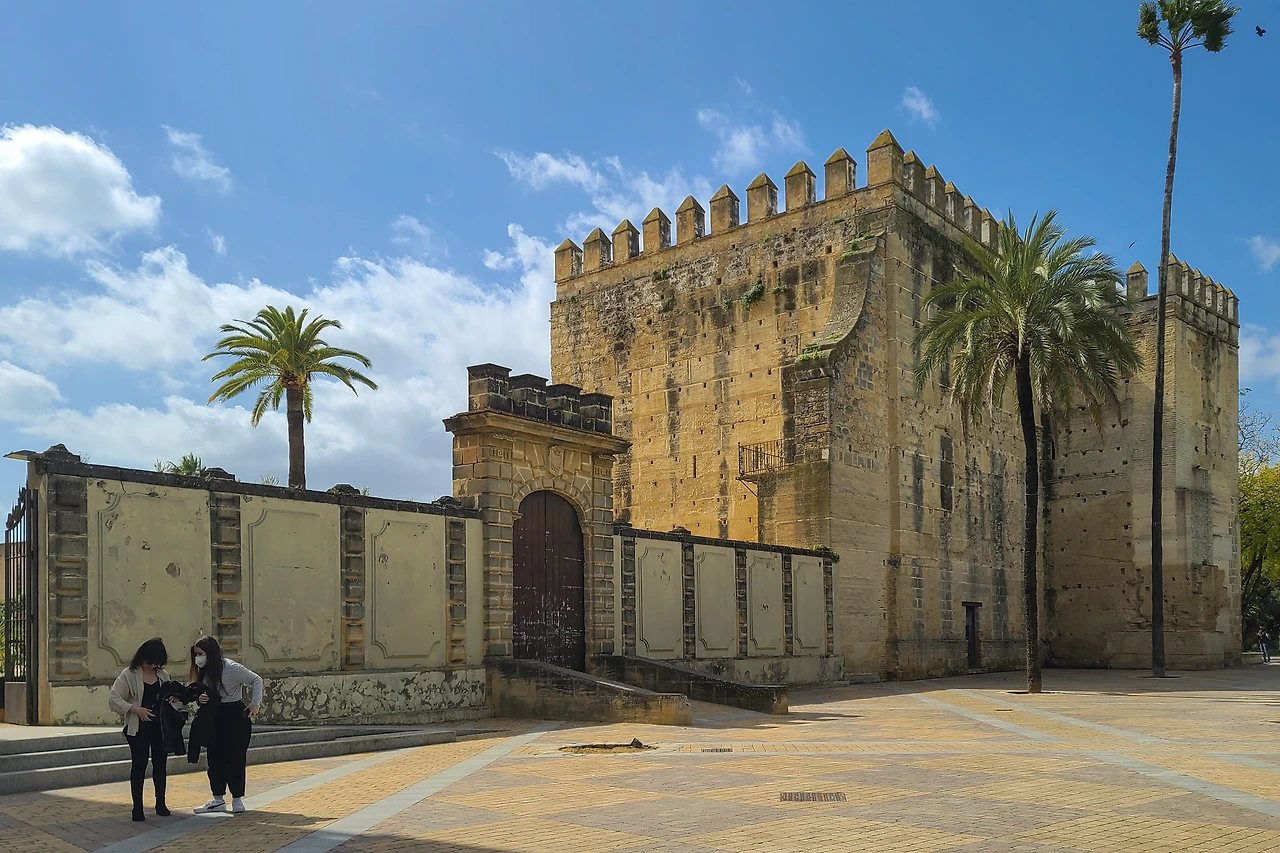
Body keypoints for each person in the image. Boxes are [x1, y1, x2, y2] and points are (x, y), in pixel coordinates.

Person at [108, 638, 184, 821]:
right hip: (138, 727)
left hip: (160, 726)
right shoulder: (129, 674)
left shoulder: (163, 675)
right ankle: (137, 808)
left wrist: (174, 698)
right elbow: (114, 699)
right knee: (139, 764)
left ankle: (161, 803)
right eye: (149, 662)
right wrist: (135, 710)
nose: (152, 666)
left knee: (160, 765)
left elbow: (173, 697)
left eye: (156, 663)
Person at [189, 636, 263, 815]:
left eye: (200, 654)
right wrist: (200, 698)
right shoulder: (203, 671)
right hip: (213, 715)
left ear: (211, 653)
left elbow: (256, 679)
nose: (198, 658)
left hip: (234, 715)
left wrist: (255, 704)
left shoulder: (231, 668)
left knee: (235, 757)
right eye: (196, 654)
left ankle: (237, 799)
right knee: (214, 758)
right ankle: (218, 799)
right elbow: (199, 691)